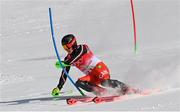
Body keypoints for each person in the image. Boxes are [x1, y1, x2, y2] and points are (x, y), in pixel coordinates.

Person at [52, 34, 129, 96]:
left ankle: (125, 88)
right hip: (91, 76)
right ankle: (102, 92)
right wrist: (59, 87)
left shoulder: (82, 48)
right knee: (79, 82)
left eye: (67, 46)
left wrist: (65, 63)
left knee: (104, 82)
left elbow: (77, 56)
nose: (66, 49)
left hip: (99, 68)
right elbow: (64, 74)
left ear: (73, 44)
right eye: (64, 47)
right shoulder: (68, 59)